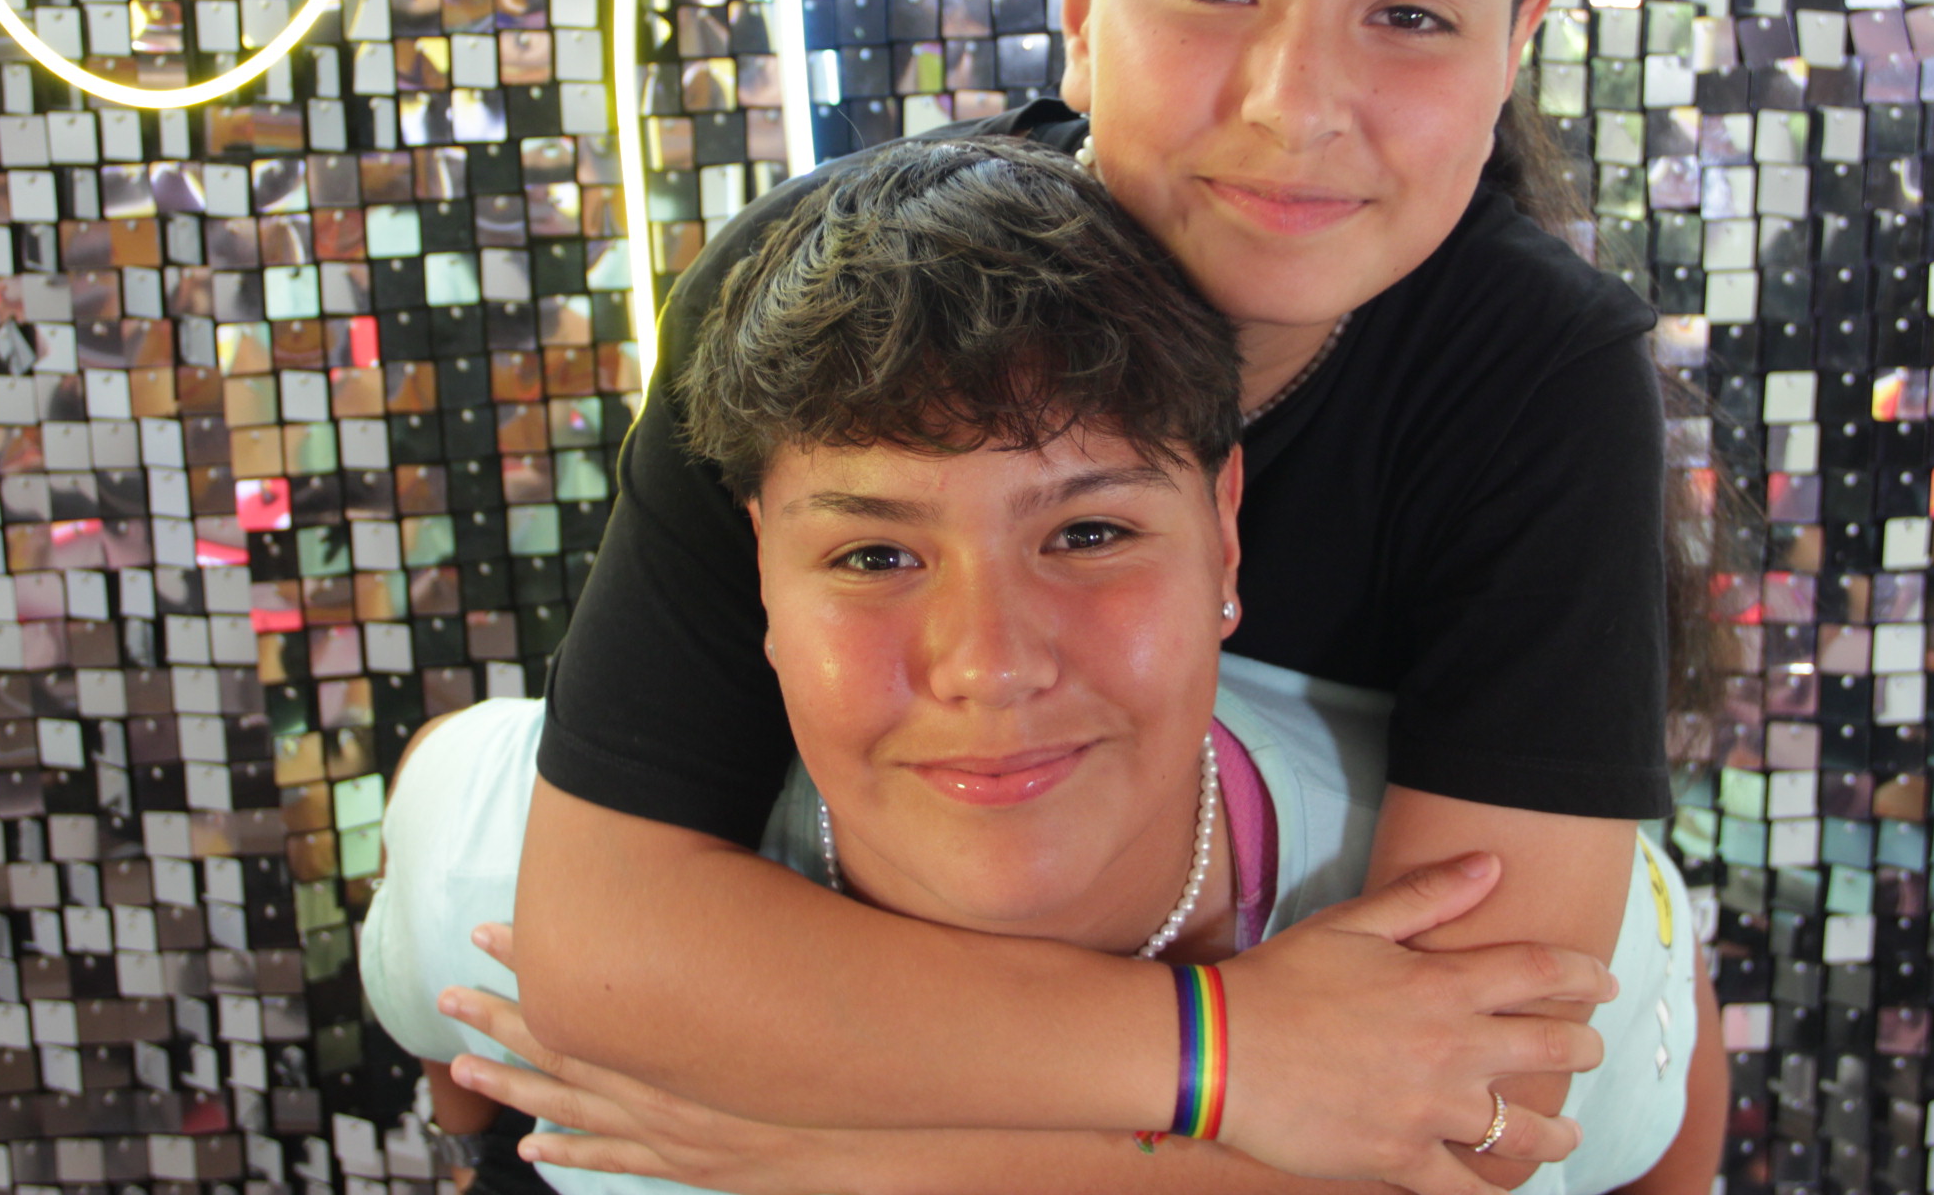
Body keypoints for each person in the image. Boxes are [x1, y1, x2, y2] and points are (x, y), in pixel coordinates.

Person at [495, 0, 1727, 1190]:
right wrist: (1229, 1055)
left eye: (1410, 12)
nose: (1296, 102)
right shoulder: (820, 298)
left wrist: (833, 1155)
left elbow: (1464, 1094)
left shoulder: (1536, 381)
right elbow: (610, 947)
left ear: (1514, 42)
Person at [363, 140, 1709, 1195]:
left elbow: (1649, 1094)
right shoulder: (494, 887)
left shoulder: (1506, 975)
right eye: (874, 556)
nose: (989, 667)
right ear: (751, 569)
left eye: (1088, 534)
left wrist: (831, 1159)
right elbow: (443, 830)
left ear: (1227, 531)